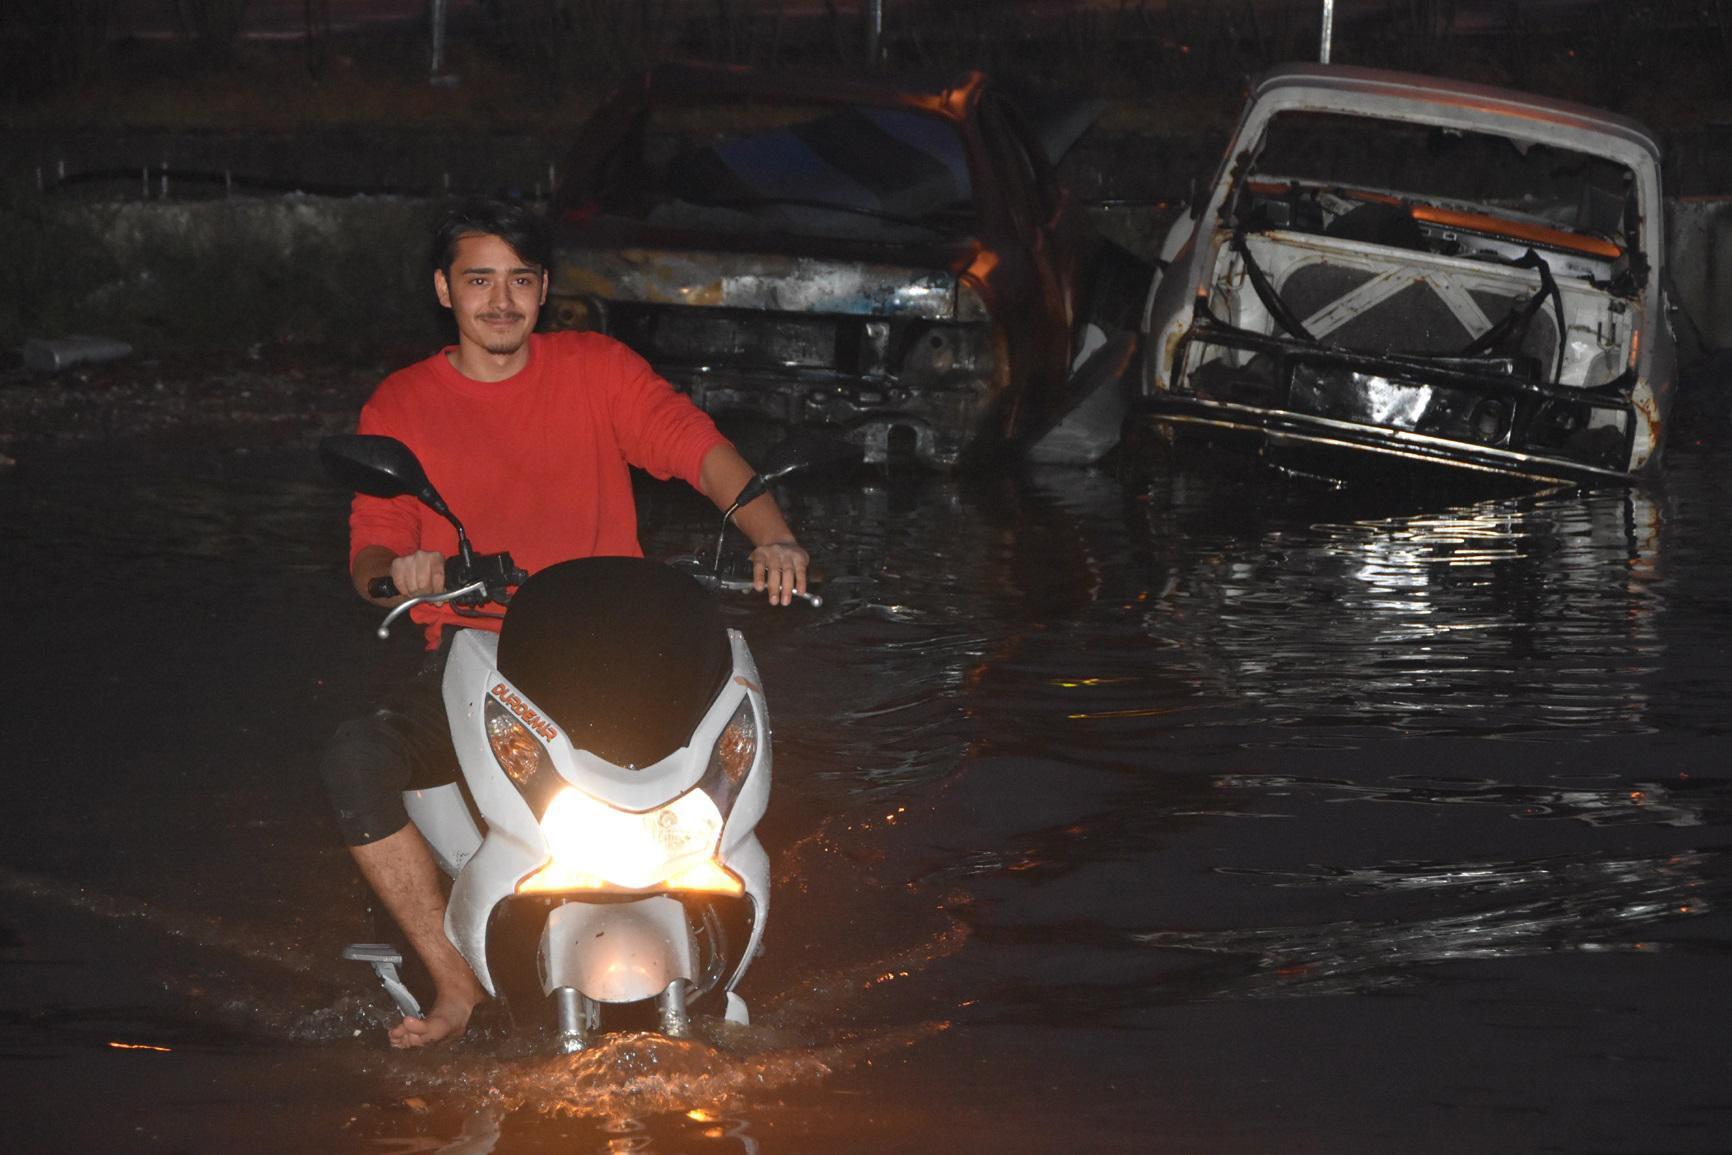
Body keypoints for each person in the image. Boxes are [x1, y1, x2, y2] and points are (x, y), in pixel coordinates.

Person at [321, 195, 809, 1049]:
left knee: (726, 751)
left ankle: (723, 947)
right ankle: (453, 982)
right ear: (445, 290)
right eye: (479, 280)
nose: (500, 301)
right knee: (355, 757)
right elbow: (371, 545)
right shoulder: (402, 403)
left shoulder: (597, 368)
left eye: (519, 280)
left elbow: (695, 446)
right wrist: (398, 571)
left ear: (544, 290)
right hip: (472, 652)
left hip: (614, 646)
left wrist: (775, 537)